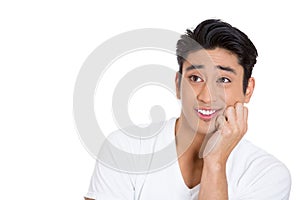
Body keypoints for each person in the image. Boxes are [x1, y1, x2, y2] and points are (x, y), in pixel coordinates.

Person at [84, 19, 291, 199]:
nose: (206, 96)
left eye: (224, 80)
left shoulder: (267, 174)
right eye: (195, 78)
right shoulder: (125, 148)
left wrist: (215, 162)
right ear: (177, 84)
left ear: (248, 89)